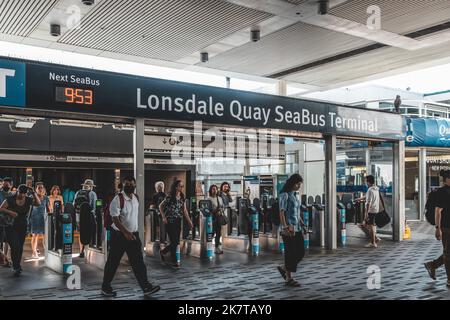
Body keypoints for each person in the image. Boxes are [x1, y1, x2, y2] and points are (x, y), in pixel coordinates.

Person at [101, 176, 160, 297]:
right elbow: (115, 219)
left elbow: (133, 217)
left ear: (135, 186)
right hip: (119, 236)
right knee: (113, 262)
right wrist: (126, 233)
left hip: (133, 235)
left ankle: (145, 287)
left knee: (138, 262)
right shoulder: (118, 199)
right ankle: (105, 287)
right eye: (127, 184)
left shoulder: (136, 198)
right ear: (123, 185)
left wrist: (134, 232)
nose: (129, 186)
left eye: (131, 184)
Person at [0, 184, 41, 276]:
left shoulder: (28, 199)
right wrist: (11, 212)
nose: (22, 195)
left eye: (24, 194)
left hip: (22, 226)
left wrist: (33, 193)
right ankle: (16, 266)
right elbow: (1, 208)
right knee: (15, 246)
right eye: (20, 193)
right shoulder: (10, 199)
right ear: (17, 191)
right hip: (10, 226)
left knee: (19, 247)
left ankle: (17, 265)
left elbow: (38, 203)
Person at [277, 174, 306, 287]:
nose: (299, 186)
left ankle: (284, 268)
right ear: (292, 183)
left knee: (300, 252)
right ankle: (288, 278)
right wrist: (285, 227)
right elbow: (281, 212)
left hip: (297, 228)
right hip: (288, 229)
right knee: (290, 253)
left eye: (300, 184)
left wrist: (302, 223)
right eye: (297, 183)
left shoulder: (295, 195)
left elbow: (296, 212)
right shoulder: (284, 195)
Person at [424, 170, 450, 288]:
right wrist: (437, 228)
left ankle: (432, 265)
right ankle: (449, 280)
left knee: (448, 253)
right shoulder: (441, 192)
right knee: (448, 253)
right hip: (446, 227)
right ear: (446, 179)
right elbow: (438, 211)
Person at [159, 180, 193, 268]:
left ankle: (163, 251)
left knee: (176, 241)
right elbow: (160, 206)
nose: (182, 188)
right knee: (174, 241)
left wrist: (189, 221)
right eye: (180, 186)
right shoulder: (169, 197)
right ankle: (174, 261)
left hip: (178, 221)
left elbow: (184, 210)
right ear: (176, 187)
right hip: (169, 221)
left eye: (182, 186)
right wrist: (163, 217)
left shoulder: (182, 197)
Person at [73, 179, 98, 258]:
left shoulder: (78, 193)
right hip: (88, 217)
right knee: (89, 232)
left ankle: (81, 251)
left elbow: (74, 204)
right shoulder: (92, 194)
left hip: (78, 217)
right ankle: (87, 251)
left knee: (81, 233)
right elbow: (94, 207)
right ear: (91, 186)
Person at [29, 183, 49, 259]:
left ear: (44, 189)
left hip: (43, 218)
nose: (40, 189)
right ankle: (34, 253)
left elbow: (48, 209)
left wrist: (49, 217)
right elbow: (29, 209)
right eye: (39, 188)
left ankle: (46, 252)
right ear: (36, 189)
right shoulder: (32, 197)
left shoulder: (46, 198)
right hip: (34, 217)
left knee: (45, 236)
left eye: (42, 188)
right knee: (35, 235)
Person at [364, 175, 382, 248]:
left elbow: (368, 202)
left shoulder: (370, 190)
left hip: (371, 210)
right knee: (368, 225)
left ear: (368, 182)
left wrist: (366, 214)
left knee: (370, 226)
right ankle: (376, 238)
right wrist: (360, 199)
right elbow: (370, 198)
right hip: (375, 209)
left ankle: (373, 243)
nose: (365, 182)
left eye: (365, 181)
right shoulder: (376, 189)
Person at [208, 184, 225, 254]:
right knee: (211, 233)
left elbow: (223, 207)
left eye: (215, 189)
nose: (215, 190)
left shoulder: (219, 198)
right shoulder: (208, 199)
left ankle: (217, 248)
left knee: (218, 233)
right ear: (210, 190)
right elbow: (208, 209)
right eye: (213, 189)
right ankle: (208, 246)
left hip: (219, 218)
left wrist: (220, 211)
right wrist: (214, 211)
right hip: (212, 218)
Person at [0, 177, 13, 267]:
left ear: (11, 186)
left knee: (7, 241)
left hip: (9, 221)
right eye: (4, 184)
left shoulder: (12, 195)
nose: (5, 186)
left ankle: (5, 258)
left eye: (7, 185)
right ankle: (4, 258)